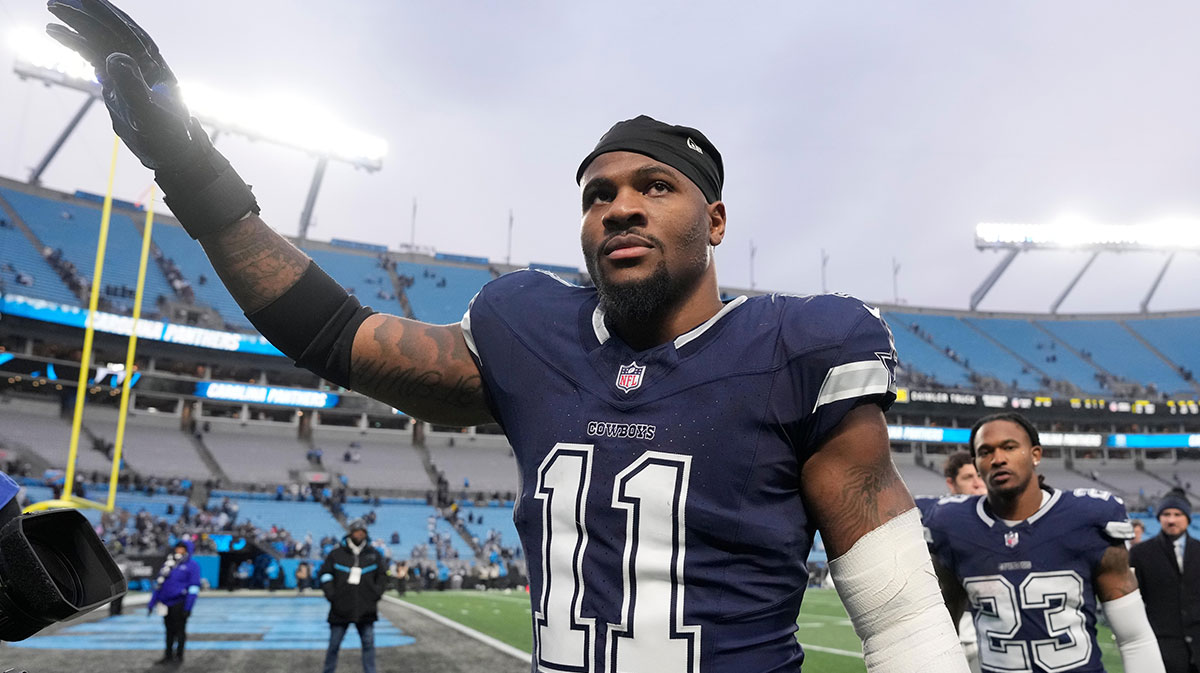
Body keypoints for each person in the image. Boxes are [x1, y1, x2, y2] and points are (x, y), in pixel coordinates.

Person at [47, 4, 971, 670]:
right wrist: (186, 159)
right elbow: (332, 331)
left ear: (716, 220)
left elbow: (898, 622)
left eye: (654, 186)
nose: (619, 207)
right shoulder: (532, 331)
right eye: (598, 194)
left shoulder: (798, 346)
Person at [925, 412, 1165, 673]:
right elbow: (940, 638)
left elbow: (1134, 638)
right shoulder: (953, 524)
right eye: (985, 452)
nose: (998, 459)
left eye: (1009, 447)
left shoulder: (1087, 518)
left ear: (1036, 454)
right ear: (977, 463)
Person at [916, 451, 987, 673]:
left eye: (980, 476)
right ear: (951, 483)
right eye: (968, 478)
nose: (977, 484)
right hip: (956, 628)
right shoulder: (937, 515)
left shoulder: (1006, 517)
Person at [1130, 488, 1200, 673]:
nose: (1171, 520)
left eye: (1177, 514)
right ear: (1159, 517)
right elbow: (1136, 600)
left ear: (1187, 517)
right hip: (1163, 646)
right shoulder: (1140, 554)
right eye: (1166, 514)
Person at [318, 519, 387, 673]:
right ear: (350, 533)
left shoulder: (374, 555)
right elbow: (325, 575)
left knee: (368, 645)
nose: (359, 534)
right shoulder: (336, 554)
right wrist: (332, 595)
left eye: (362, 531)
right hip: (340, 608)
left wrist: (376, 594)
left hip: (366, 609)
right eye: (356, 531)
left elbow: (382, 577)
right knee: (334, 645)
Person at [147, 539, 201, 665]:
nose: (179, 551)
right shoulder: (168, 565)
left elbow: (193, 588)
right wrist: (152, 603)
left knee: (180, 631)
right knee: (169, 631)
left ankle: (179, 655)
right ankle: (168, 655)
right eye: (177, 548)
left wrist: (188, 607)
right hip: (165, 603)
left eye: (182, 548)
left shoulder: (192, 566)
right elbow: (159, 585)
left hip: (179, 603)